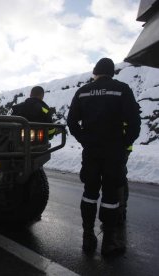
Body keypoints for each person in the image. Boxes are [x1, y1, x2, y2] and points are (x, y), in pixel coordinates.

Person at [67, 58, 141, 256]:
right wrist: (124, 143)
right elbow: (134, 122)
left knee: (89, 192)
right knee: (110, 196)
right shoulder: (122, 89)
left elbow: (71, 121)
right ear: (112, 73)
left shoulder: (82, 92)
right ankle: (108, 241)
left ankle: (88, 236)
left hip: (91, 151)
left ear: (95, 72)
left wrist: (84, 139)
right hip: (114, 151)